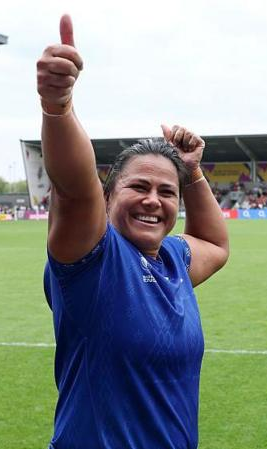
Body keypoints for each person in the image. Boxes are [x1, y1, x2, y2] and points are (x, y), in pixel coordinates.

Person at [38, 15, 229, 449]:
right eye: (138, 187)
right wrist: (58, 105)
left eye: (167, 192)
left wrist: (193, 174)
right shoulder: (93, 260)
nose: (153, 200)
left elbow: (216, 244)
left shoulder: (172, 261)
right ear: (106, 198)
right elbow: (72, 187)